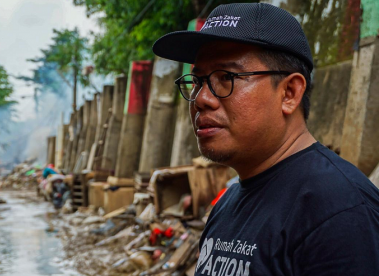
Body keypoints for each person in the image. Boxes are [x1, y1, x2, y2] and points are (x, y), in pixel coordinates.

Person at [153, 3, 379, 276]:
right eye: (198, 81)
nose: (201, 98)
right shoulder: (228, 202)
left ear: (289, 93)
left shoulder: (339, 212)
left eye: (226, 77)